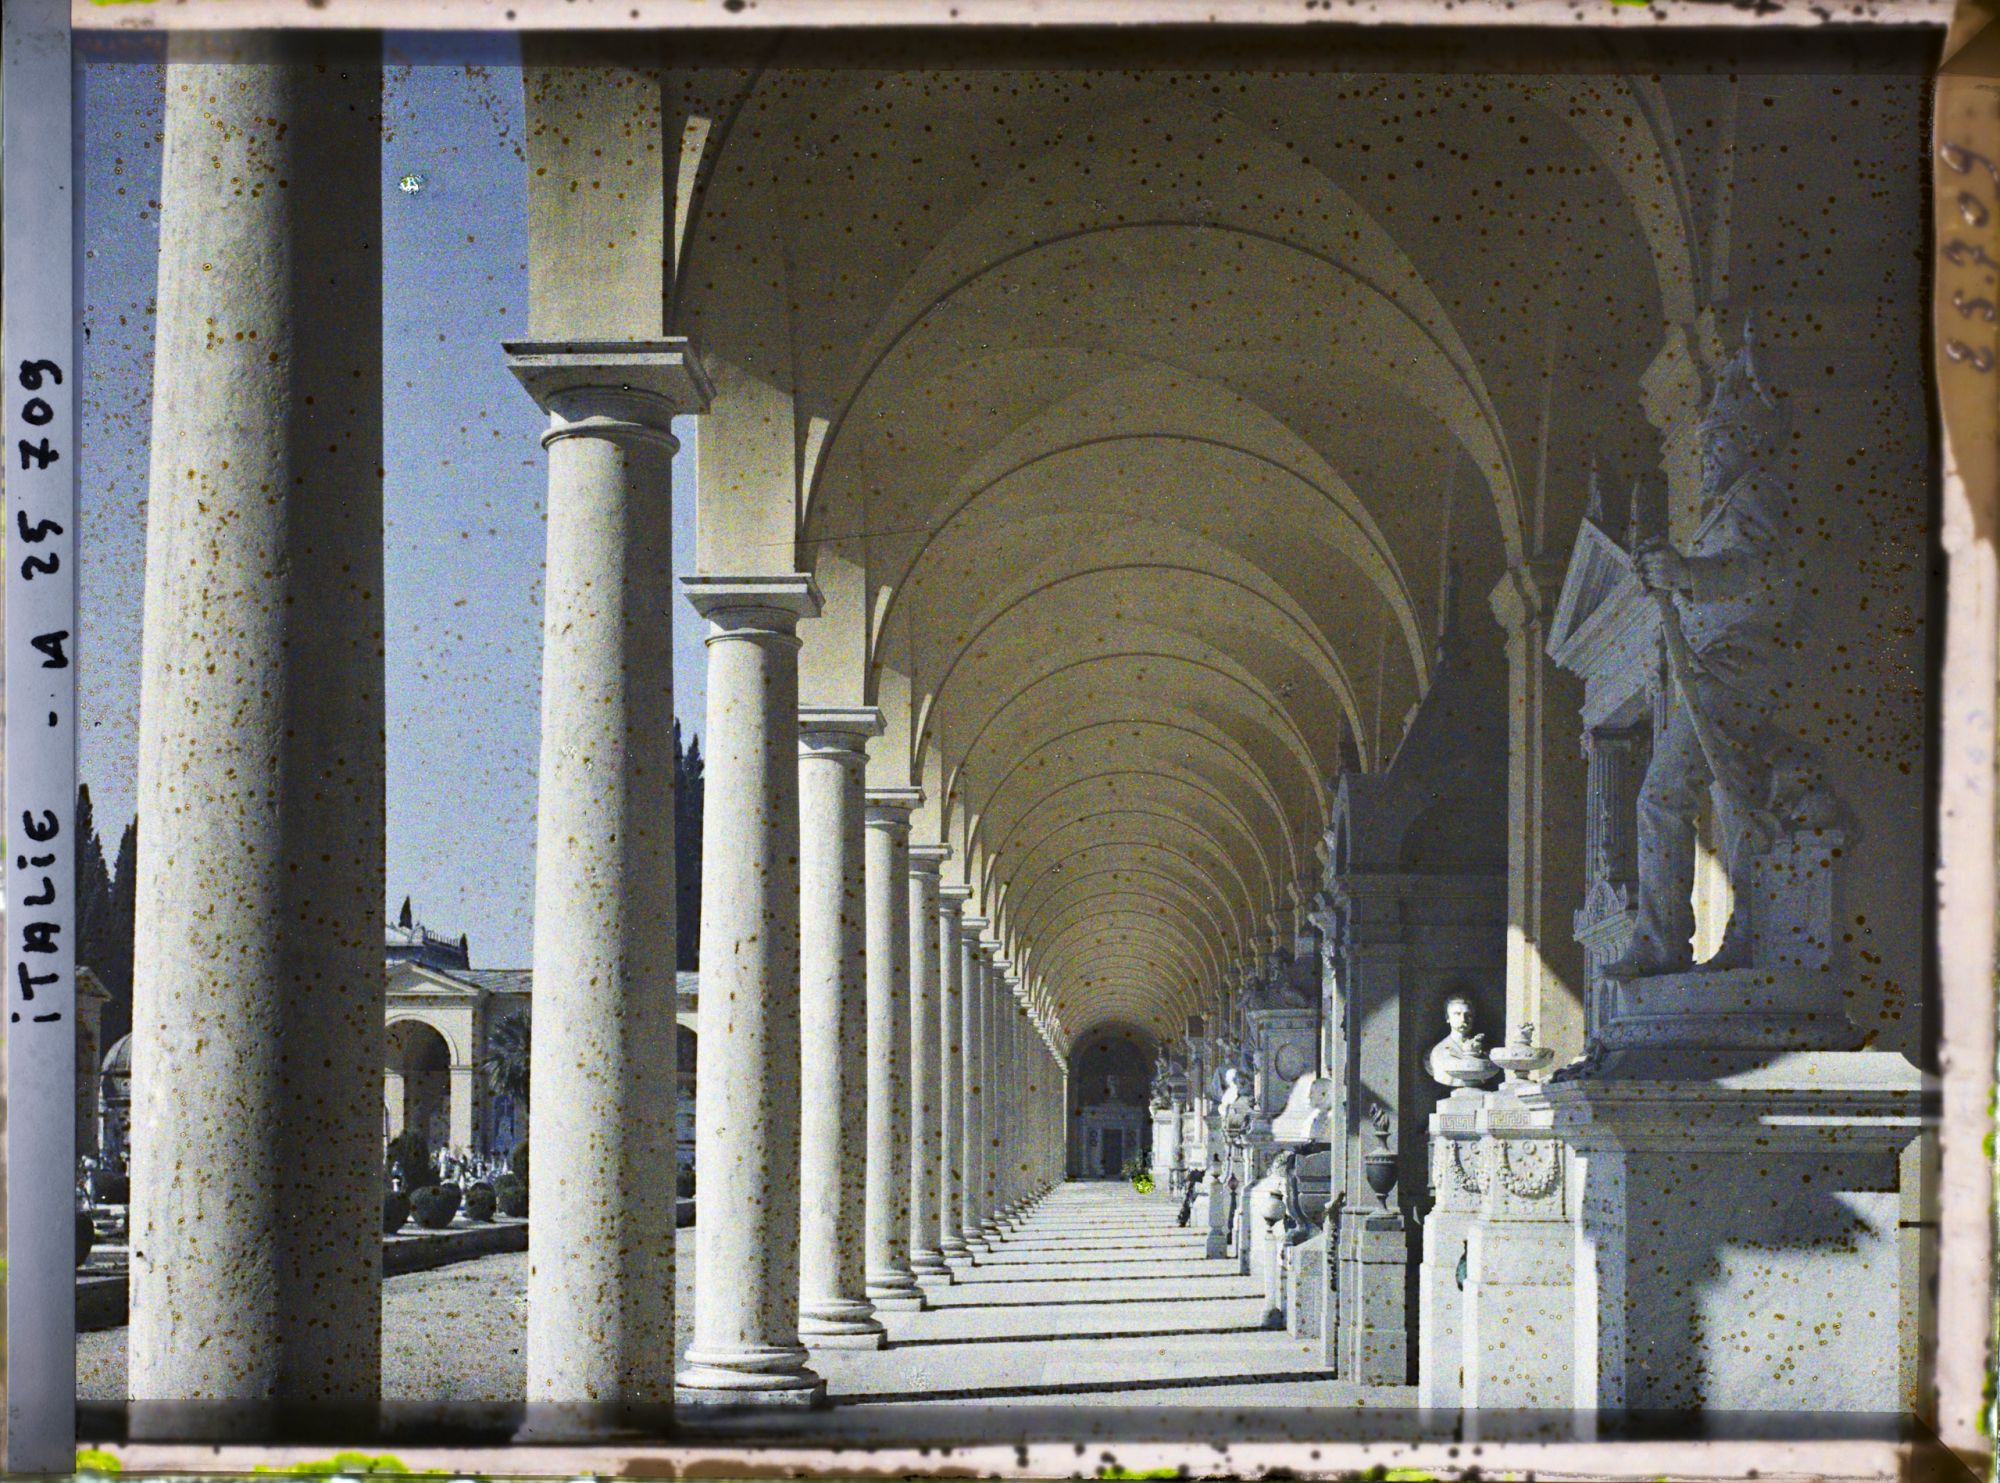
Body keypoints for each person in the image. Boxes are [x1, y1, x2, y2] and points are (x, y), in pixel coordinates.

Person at [1604, 319, 1800, 980]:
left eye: (1718, 443)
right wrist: (1673, 582)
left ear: (1747, 442)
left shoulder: (1760, 496)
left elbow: (1763, 574)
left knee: (1666, 794)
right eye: (1706, 445)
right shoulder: (1726, 506)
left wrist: (1685, 576)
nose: (1709, 457)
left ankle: (1666, 941)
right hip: (1715, 666)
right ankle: (1743, 933)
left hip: (1743, 667)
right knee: (1733, 797)